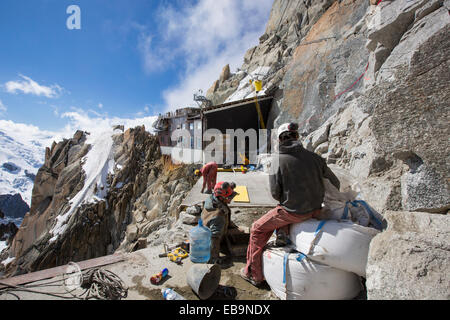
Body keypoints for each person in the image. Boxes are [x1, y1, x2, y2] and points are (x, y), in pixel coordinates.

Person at [240, 122, 341, 286]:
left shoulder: (277, 161)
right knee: (280, 212)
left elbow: (275, 193)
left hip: (294, 212)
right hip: (316, 209)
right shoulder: (315, 158)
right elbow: (335, 184)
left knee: (257, 228)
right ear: (297, 136)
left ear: (280, 140)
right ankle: (282, 236)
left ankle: (254, 274)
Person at [201, 181, 237, 264]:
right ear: (221, 197)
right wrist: (214, 257)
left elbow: (225, 213)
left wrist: (230, 225)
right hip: (210, 240)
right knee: (216, 238)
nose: (231, 199)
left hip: (213, 227)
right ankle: (213, 258)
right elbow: (214, 238)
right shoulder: (218, 215)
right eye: (229, 197)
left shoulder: (213, 199)